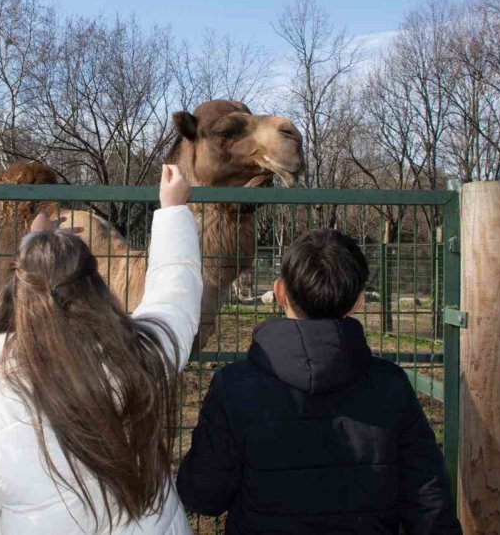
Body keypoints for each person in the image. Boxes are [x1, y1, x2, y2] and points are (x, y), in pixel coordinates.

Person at [0, 164, 201, 534]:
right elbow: (174, 295)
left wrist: (33, 248)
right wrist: (173, 211)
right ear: (96, 287)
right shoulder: (143, 357)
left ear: (16, 293)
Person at [176, 228, 462, 534]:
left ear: (279, 291)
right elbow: (428, 502)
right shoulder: (391, 386)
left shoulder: (232, 387)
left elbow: (203, 495)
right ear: (358, 301)